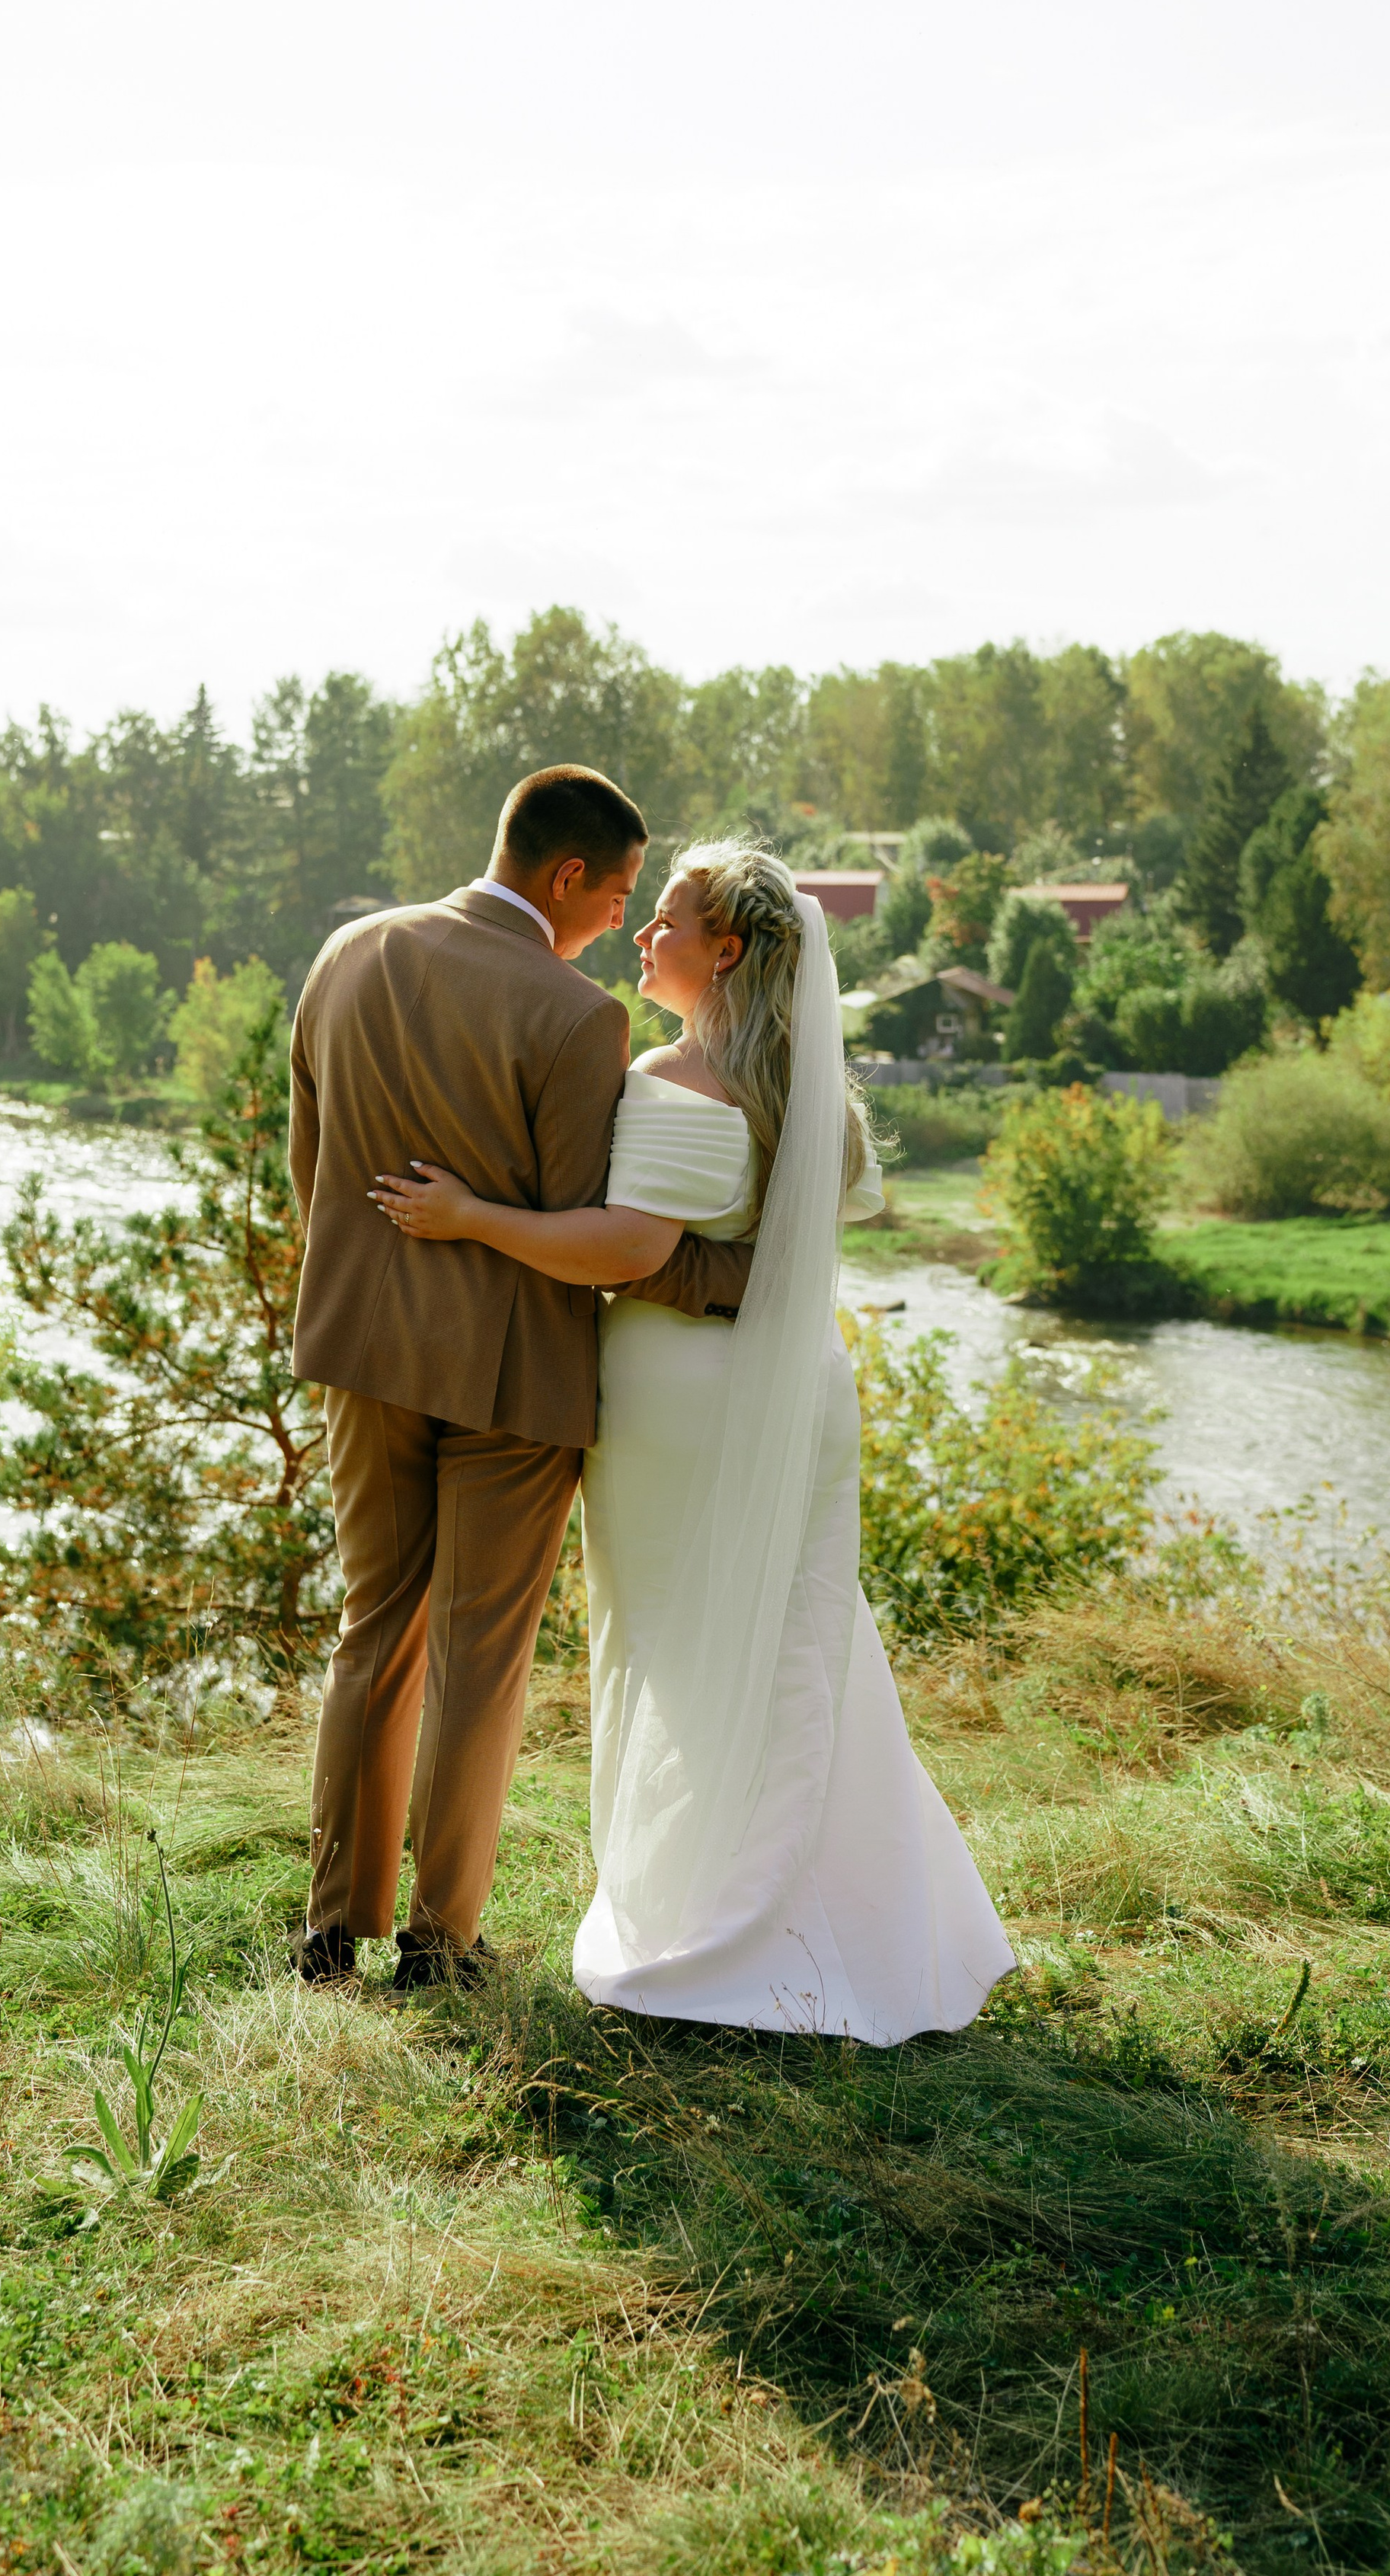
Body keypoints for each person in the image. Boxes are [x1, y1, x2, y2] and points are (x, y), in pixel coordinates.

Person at [372, 840, 1015, 2044]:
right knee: (798, 1645)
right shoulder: (808, 1086)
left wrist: (470, 1218)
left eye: (664, 918)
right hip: (798, 1394)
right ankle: (868, 1922)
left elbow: (626, 1249)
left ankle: (717, 1925)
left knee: (674, 1650)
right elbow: (784, 1244)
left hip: (681, 1410)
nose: (639, 935)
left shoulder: (673, 1075)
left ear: (724, 948)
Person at [287, 768, 758, 1992]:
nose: (621, 924)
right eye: (614, 899)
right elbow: (585, 1226)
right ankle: (439, 1946)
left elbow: (314, 1164)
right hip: (509, 1374)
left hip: (361, 1352)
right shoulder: (575, 1018)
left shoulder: (345, 953)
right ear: (565, 879)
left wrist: (374, 1294)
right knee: (478, 1654)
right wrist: (729, 1278)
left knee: (372, 1627)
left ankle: (330, 1927)